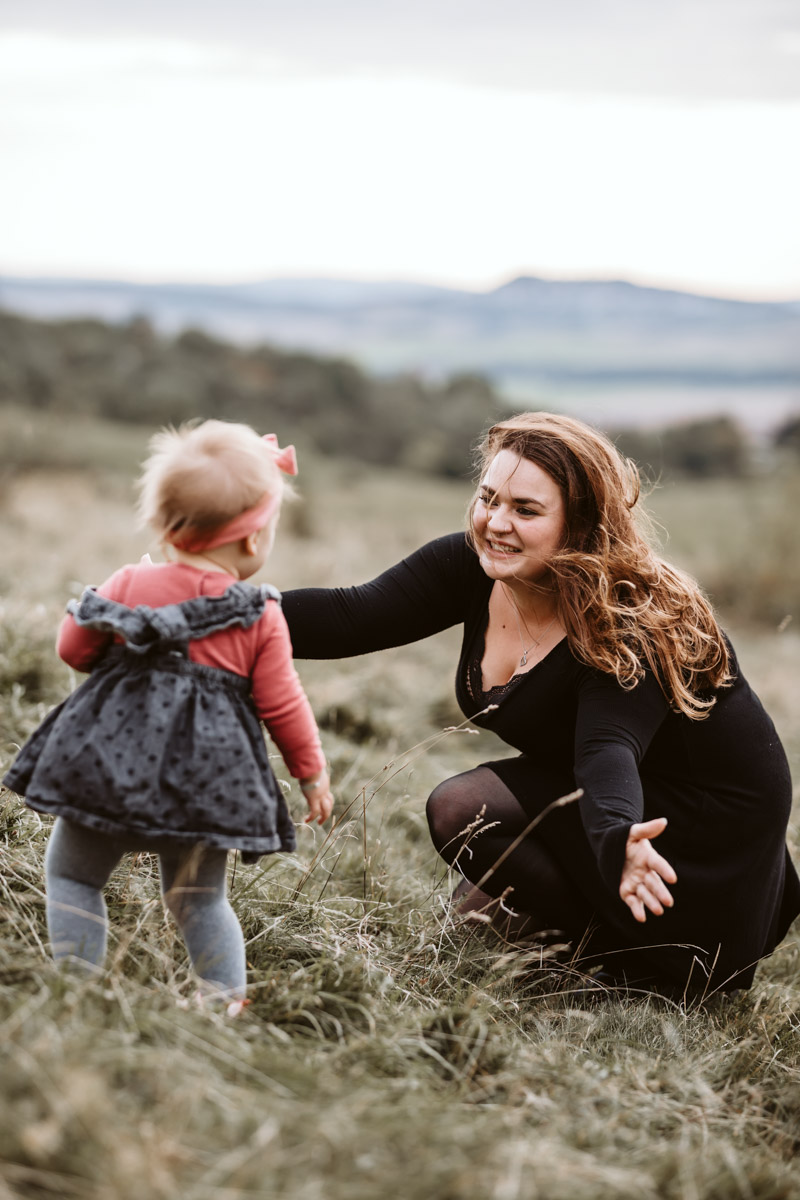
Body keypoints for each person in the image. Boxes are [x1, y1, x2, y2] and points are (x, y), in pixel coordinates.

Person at [281, 411, 800, 999]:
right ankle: (591, 925)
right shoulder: (473, 567)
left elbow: (609, 750)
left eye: (525, 510)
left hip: (695, 818)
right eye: (488, 498)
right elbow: (353, 615)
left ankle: (640, 967)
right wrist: (208, 607)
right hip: (610, 787)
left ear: (579, 526)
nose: (495, 523)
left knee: (460, 809)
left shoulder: (626, 622)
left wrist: (619, 837)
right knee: (474, 917)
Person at [4, 420, 333, 1011]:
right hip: (203, 788)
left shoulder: (130, 581)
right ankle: (221, 1001)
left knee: (74, 877)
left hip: (106, 772)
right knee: (199, 900)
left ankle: (75, 990)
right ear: (254, 540)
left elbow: (73, 652)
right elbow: (283, 703)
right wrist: (310, 773)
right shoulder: (261, 615)